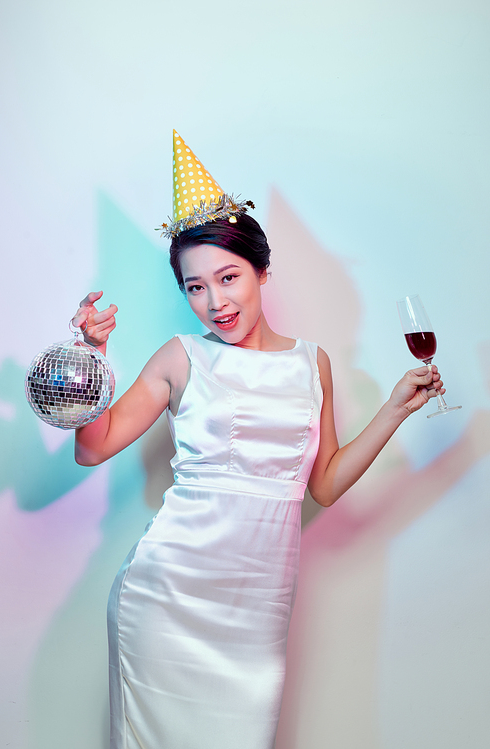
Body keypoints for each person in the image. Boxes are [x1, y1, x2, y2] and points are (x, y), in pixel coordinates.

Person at [72, 134, 444, 749]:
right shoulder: (181, 356)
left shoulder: (311, 363)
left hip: (256, 611)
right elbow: (93, 447)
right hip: (168, 598)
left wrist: (395, 411)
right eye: (195, 287)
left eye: (228, 277)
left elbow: (321, 484)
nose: (215, 302)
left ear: (262, 271)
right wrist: (91, 354)